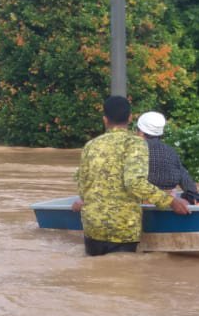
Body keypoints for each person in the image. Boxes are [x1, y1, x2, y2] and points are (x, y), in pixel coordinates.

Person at [73, 95, 190, 256]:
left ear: (105, 120)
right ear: (130, 118)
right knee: (124, 277)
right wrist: (170, 201)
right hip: (123, 228)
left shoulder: (90, 145)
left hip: (93, 226)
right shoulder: (135, 143)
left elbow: (82, 184)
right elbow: (134, 182)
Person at [135, 111, 199, 195]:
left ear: (141, 132)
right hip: (170, 202)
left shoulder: (134, 151)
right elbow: (186, 182)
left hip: (141, 202)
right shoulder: (171, 152)